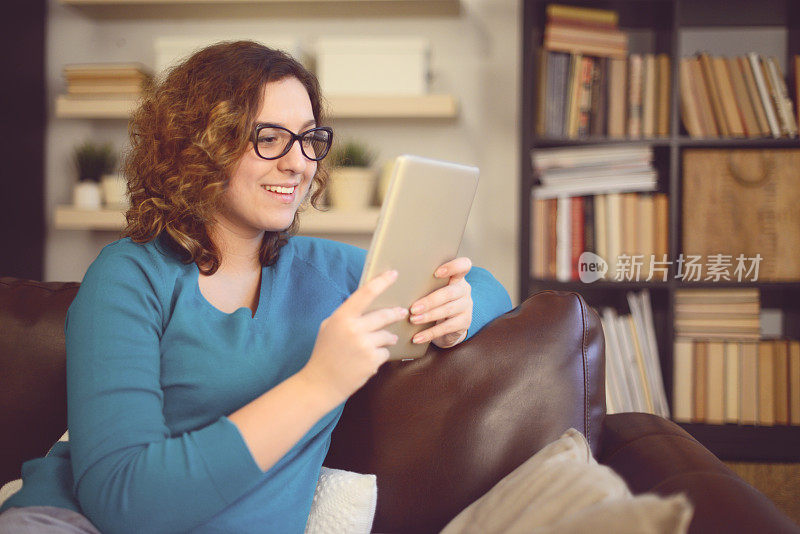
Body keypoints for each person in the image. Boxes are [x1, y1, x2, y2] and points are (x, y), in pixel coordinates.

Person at [0, 41, 512, 533]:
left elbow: (485, 286)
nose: (299, 163)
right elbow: (123, 506)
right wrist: (320, 383)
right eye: (268, 138)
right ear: (198, 146)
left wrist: (459, 309)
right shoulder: (128, 276)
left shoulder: (326, 272)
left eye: (309, 138)